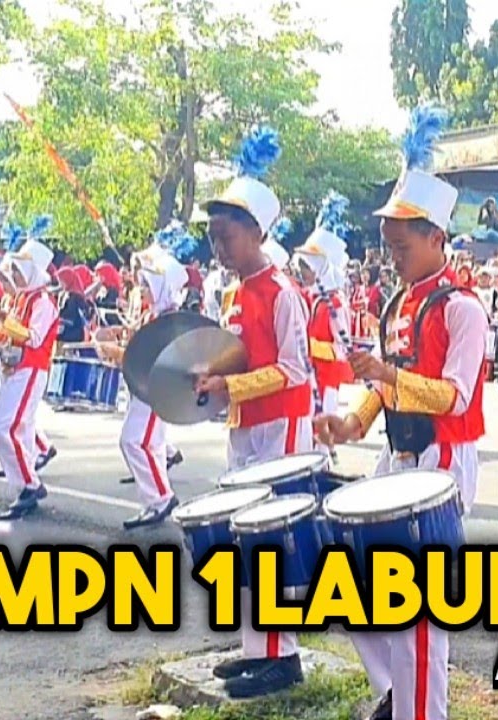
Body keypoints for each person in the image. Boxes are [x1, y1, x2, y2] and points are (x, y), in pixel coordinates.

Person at [315, 104, 486, 720]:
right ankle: (397, 694)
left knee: (417, 609)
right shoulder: (396, 305)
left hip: (444, 458)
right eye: (389, 243)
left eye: (401, 243)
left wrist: (390, 376)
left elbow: (456, 396)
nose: (391, 253)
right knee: (351, 587)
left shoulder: (463, 309)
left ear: (436, 238)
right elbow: (382, 388)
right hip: (398, 454)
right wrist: (352, 421)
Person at [192, 125, 311, 698]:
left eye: (227, 237)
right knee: (245, 538)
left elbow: (295, 370)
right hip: (244, 425)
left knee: (272, 539)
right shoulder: (233, 293)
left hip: (281, 426)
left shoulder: (282, 291)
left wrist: (232, 385)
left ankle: (283, 655)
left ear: (256, 233)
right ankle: (256, 650)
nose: (219, 248)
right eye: (213, 239)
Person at [100, 223, 192, 528]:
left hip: (157, 389)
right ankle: (157, 497)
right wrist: (120, 338)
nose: (142, 287)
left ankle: (161, 498)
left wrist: (116, 352)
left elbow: (152, 359)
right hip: (145, 388)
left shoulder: (169, 319)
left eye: (149, 283)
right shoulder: (156, 314)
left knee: (136, 442)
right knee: (142, 443)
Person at [0, 231, 59, 521]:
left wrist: (3, 322)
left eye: (18, 272)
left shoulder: (43, 302)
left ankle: (29, 484)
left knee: (4, 428)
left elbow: (33, 338)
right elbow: (12, 334)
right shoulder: (23, 299)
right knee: (11, 428)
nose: (13, 278)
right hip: (17, 368)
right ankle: (26, 483)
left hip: (31, 369)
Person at [293, 190, 356, 458]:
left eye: (306, 267)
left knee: (321, 431)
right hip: (311, 374)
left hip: (327, 378)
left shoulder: (335, 304)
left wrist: (310, 347)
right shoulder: (313, 298)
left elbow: (343, 349)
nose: (301, 273)